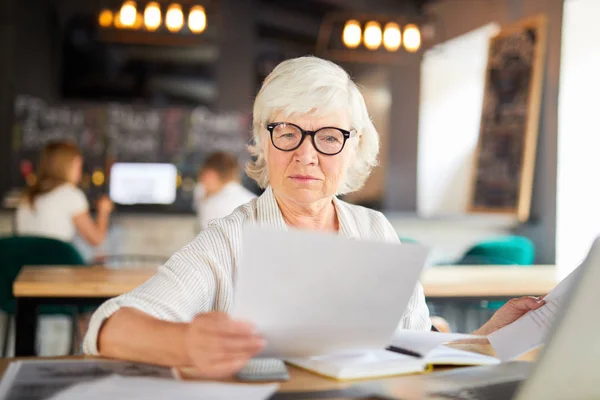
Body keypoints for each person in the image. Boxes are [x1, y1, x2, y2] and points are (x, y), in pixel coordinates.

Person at [82, 56, 543, 378]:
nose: (305, 155)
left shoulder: (374, 230)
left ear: (354, 146)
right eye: (288, 132)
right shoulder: (229, 240)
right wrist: (184, 345)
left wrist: (486, 339)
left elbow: (412, 344)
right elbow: (109, 327)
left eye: (328, 136)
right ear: (265, 141)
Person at [16, 141, 114, 247]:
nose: (80, 173)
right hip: (55, 261)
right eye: (78, 166)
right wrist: (103, 212)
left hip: (26, 262)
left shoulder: (27, 195)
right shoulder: (71, 195)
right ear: (67, 166)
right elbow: (96, 240)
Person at [193, 151, 256, 231]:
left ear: (209, 175)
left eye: (201, 176)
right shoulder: (255, 201)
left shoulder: (212, 205)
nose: (201, 182)